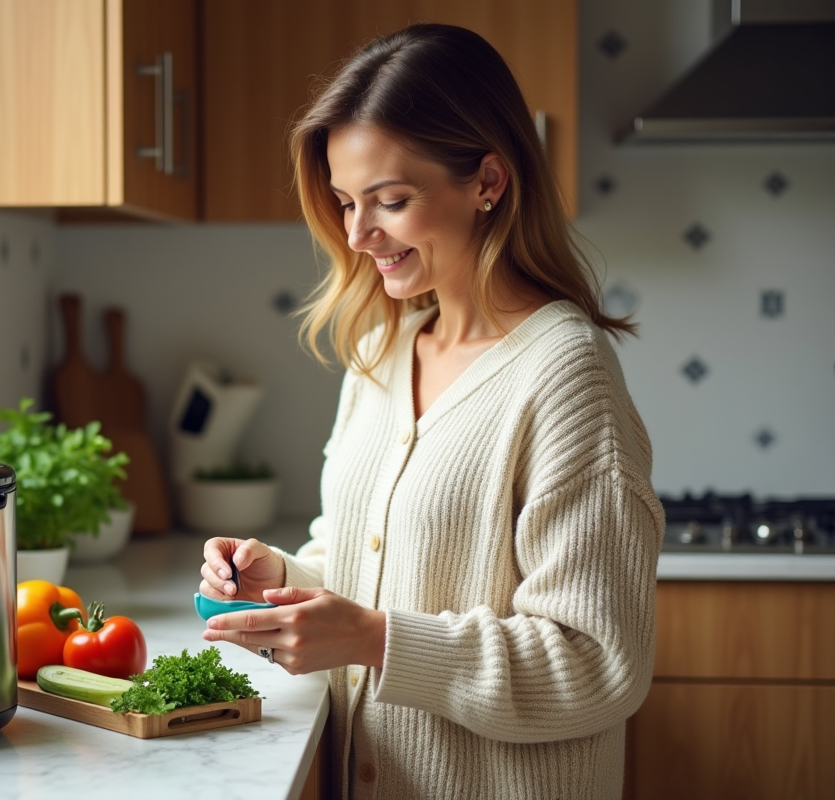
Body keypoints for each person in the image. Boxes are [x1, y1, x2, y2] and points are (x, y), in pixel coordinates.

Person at [197, 23, 665, 800]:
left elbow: (597, 663)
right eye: (347, 202)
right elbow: (369, 566)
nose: (357, 234)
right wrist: (277, 579)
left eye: (391, 201)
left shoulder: (566, 374)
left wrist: (377, 641)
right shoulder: (380, 355)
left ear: (488, 180)